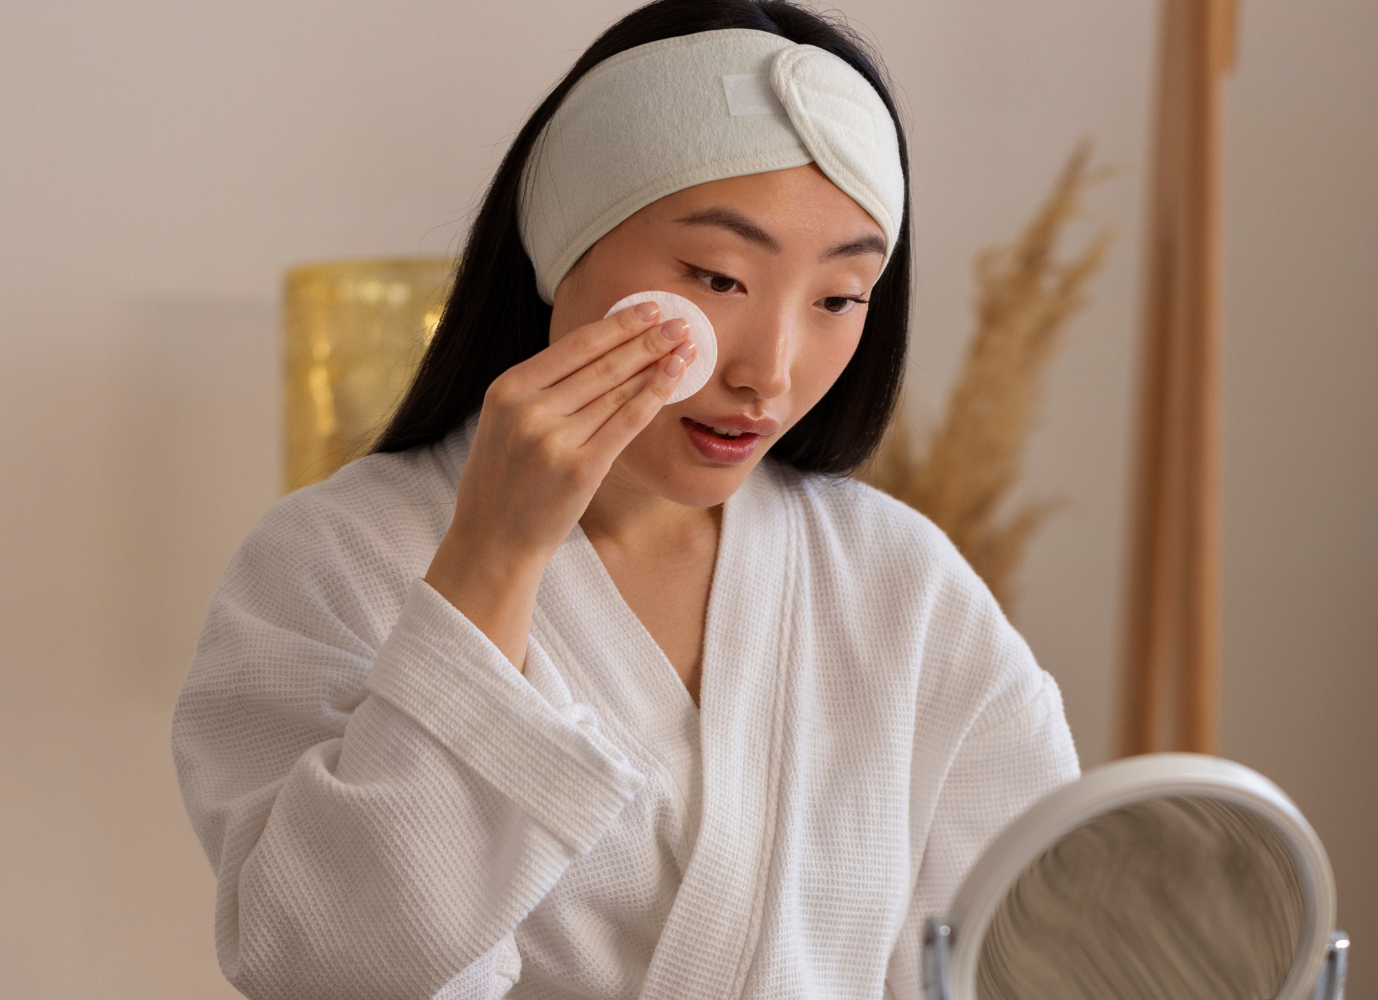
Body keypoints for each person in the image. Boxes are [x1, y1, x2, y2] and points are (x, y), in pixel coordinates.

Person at [171, 2, 1079, 998]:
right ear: (565, 248)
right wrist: (493, 559)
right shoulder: (336, 557)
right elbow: (320, 961)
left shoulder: (901, 583)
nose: (768, 373)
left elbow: (1033, 948)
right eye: (718, 277)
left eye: (837, 299)